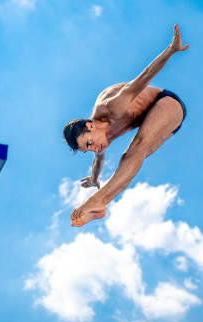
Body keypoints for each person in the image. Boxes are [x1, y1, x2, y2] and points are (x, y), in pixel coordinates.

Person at [63, 24, 189, 227]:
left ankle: (99, 201)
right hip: (161, 123)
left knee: (137, 147)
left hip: (167, 103)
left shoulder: (111, 106)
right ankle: (101, 199)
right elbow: (98, 160)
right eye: (89, 149)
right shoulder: (102, 138)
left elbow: (145, 75)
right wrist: (95, 179)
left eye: (89, 143)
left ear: (91, 125)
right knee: (132, 155)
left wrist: (171, 50)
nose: (95, 149)